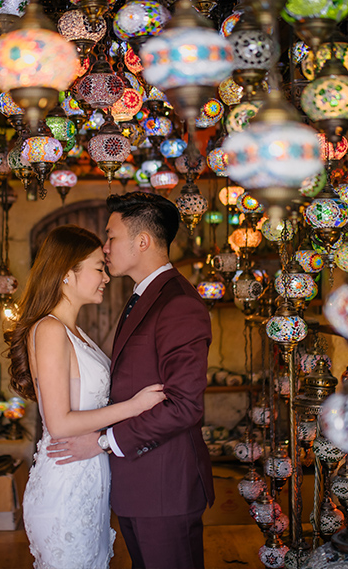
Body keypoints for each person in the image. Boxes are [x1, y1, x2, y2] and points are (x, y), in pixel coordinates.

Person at [48, 193, 215, 569]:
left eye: (111, 237)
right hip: (139, 484)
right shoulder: (143, 297)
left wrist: (105, 441)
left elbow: (184, 405)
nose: (105, 248)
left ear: (142, 242)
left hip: (164, 485)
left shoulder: (178, 304)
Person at [5, 224, 167, 569]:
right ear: (67, 273)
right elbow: (60, 423)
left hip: (90, 478)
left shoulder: (75, 332)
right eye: (98, 268)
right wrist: (134, 406)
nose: (106, 277)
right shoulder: (49, 330)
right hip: (65, 486)